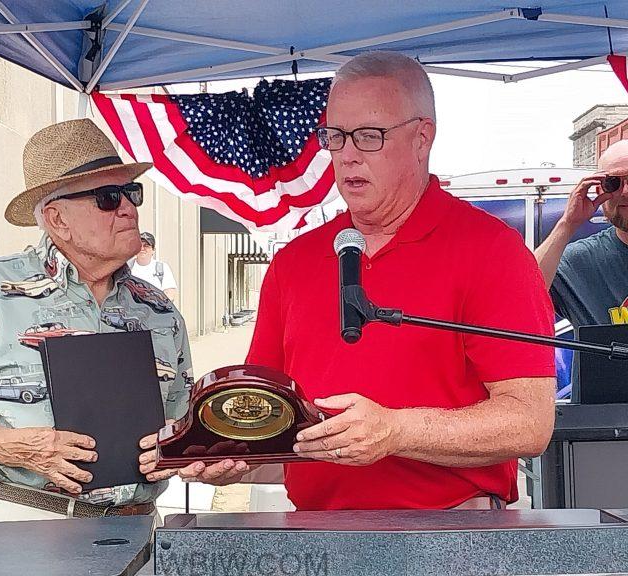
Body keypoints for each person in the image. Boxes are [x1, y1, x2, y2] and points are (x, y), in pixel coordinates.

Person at [141, 51, 558, 509]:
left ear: (422, 138)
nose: (348, 155)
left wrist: (397, 431)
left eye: (369, 136)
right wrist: (230, 457)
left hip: (452, 531)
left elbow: (529, 423)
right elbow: (273, 422)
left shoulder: (492, 251)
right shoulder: (294, 261)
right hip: (316, 532)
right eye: (335, 136)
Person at [0, 118, 193, 521]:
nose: (129, 208)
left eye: (132, 193)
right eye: (109, 197)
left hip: (140, 526)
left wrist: (205, 456)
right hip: (28, 524)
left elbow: (183, 425)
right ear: (58, 219)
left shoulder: (159, 309)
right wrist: (23, 449)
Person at [534, 140, 628, 329]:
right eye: (613, 183)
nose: (625, 191)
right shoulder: (579, 262)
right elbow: (518, 295)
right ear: (599, 190)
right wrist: (567, 224)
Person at [130, 232, 178, 302]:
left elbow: (170, 293)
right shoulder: (127, 268)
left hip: (155, 308)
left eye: (146, 246)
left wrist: (156, 303)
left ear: (153, 250)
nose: (142, 248)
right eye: (139, 245)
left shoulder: (162, 268)